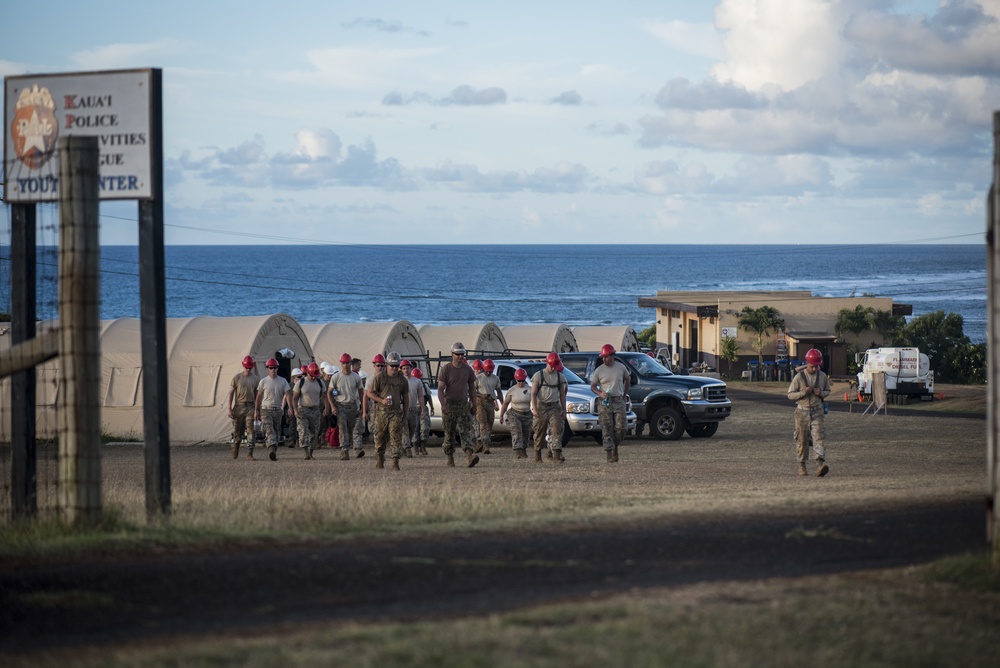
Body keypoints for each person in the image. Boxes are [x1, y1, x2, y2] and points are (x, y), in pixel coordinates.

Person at [787, 348, 831, 477]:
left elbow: (828, 390)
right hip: (802, 411)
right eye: (812, 366)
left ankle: (820, 464)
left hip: (817, 410)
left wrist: (821, 393)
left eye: (817, 366)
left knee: (819, 437)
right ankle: (802, 465)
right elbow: (790, 394)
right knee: (802, 439)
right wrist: (802, 392)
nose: (814, 369)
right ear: (807, 364)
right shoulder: (799, 377)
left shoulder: (822, 376)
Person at [437, 342, 480, 468]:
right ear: (452, 354)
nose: (460, 357)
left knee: (465, 431)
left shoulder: (468, 370)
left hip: (463, 405)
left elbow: (472, 388)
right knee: (449, 433)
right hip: (450, 405)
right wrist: (443, 405)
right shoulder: (446, 369)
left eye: (462, 354)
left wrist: (474, 404)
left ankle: (469, 456)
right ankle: (450, 458)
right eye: (458, 354)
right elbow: (440, 389)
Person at [365, 352, 409, 470]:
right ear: (387, 365)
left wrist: (405, 415)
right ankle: (380, 458)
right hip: (381, 412)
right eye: (391, 366)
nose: (394, 368)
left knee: (395, 436)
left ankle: (395, 461)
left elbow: (405, 398)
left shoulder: (402, 380)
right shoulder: (379, 377)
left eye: (396, 366)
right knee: (380, 436)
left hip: (395, 412)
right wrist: (381, 400)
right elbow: (369, 393)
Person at [590, 343, 630, 463]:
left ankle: (615, 446)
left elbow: (627, 379)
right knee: (607, 428)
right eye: (603, 357)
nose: (604, 359)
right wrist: (599, 393)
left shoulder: (620, 367)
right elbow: (592, 386)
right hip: (605, 402)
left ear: (612, 356)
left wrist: (624, 394)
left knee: (621, 427)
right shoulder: (599, 370)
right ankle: (609, 454)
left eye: (606, 357)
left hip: (618, 400)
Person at [531, 352, 568, 464]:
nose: (553, 368)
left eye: (555, 366)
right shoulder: (538, 376)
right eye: (552, 365)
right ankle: (537, 454)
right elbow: (533, 393)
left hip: (555, 407)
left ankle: (556, 455)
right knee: (539, 432)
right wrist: (535, 409)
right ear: (547, 363)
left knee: (556, 430)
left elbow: (562, 394)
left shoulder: (559, 376)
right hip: (541, 406)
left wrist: (564, 410)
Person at [329, 352, 365, 460]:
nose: (345, 365)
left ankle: (351, 446)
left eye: (347, 363)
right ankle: (344, 450)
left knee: (351, 428)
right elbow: (329, 392)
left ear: (351, 363)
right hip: (341, 405)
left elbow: (361, 392)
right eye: (343, 363)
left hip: (352, 406)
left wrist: (362, 407)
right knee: (342, 427)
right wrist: (332, 406)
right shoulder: (336, 377)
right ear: (341, 364)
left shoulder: (356, 377)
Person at [254, 358, 291, 461]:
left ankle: (273, 450)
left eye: (275, 368)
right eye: (271, 368)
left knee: (277, 431)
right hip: (266, 409)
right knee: (269, 430)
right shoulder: (263, 381)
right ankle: (271, 449)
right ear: (267, 369)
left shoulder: (283, 381)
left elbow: (288, 395)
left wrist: (290, 408)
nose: (273, 370)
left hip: (278, 410)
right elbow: (258, 397)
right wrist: (256, 410)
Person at [227, 355, 259, 460]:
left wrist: (257, 410)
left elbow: (257, 396)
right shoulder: (237, 378)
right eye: (246, 367)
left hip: (250, 406)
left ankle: (250, 453)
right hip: (239, 406)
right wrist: (229, 408)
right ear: (243, 366)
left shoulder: (255, 379)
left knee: (251, 430)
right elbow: (231, 393)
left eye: (250, 368)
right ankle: (235, 447)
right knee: (238, 431)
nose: (248, 370)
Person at [293, 362, 326, 460]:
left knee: (314, 433)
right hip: (303, 409)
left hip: (315, 410)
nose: (313, 378)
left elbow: (324, 396)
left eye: (315, 376)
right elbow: (295, 397)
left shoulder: (320, 383)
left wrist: (326, 407)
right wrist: (295, 410)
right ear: (308, 373)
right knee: (303, 431)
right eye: (312, 376)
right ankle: (306, 452)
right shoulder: (301, 382)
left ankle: (311, 452)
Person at [499, 367, 532, 459]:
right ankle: (518, 450)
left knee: (526, 434)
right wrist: (501, 415)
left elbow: (535, 401)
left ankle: (523, 449)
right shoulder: (511, 390)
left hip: (526, 414)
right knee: (517, 432)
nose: (520, 383)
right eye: (518, 381)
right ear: (515, 379)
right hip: (514, 414)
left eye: (522, 380)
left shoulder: (530, 389)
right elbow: (505, 404)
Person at [475, 359, 503, 455]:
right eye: (487, 370)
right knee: (483, 423)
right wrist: (478, 397)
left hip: (490, 403)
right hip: (480, 402)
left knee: (490, 424)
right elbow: (472, 391)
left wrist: (502, 404)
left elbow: (498, 391)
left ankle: (481, 443)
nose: (488, 372)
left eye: (490, 371)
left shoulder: (495, 379)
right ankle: (486, 445)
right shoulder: (478, 378)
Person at [400, 359, 425, 458]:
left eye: (408, 368)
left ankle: (405, 445)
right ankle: (407, 448)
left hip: (413, 409)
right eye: (404, 368)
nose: (406, 370)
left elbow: (420, 396)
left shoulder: (417, 381)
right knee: (404, 429)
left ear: (411, 368)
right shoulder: (399, 381)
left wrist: (423, 408)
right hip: (402, 409)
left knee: (412, 429)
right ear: (401, 370)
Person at [413, 367, 433, 455]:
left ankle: (423, 446)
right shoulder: (410, 384)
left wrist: (432, 407)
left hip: (423, 408)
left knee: (425, 428)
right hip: (413, 409)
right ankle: (415, 448)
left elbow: (429, 397)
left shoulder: (424, 385)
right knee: (414, 429)